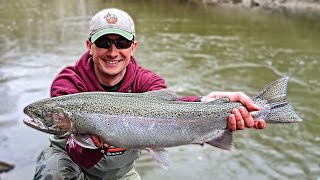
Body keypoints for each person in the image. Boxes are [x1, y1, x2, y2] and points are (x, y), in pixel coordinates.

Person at [33, 8, 266, 180]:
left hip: (120, 173)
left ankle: (269, 106)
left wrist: (206, 103)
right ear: (89, 46)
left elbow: (171, 110)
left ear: (133, 47)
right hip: (70, 165)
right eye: (104, 42)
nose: (113, 52)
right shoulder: (68, 83)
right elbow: (81, 156)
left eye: (121, 42)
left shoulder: (148, 81)